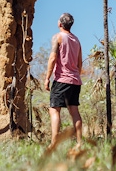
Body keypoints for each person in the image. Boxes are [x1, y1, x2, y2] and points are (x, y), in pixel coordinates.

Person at [44, 12, 83, 149]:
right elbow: (79, 63)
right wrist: (75, 75)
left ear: (60, 24)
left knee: (54, 110)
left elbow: (53, 59)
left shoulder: (58, 37)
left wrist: (47, 78)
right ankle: (79, 143)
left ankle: (54, 143)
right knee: (74, 111)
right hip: (75, 81)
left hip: (61, 80)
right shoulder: (76, 40)